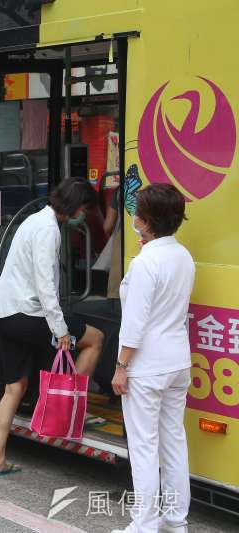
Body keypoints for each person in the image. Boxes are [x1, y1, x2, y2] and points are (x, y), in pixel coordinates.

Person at [0, 177, 104, 477]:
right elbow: (46, 286)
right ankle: (67, 408)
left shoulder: (33, 219)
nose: (84, 216)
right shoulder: (49, 230)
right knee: (95, 339)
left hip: (4, 313)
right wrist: (61, 330)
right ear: (77, 206)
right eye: (85, 210)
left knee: (14, 388)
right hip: (29, 314)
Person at [110, 184, 194, 533]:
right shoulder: (183, 256)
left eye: (137, 213)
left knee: (144, 447)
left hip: (146, 365)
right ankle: (175, 521)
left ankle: (143, 525)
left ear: (145, 221)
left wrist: (121, 367)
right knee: (173, 441)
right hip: (177, 361)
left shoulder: (145, 263)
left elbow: (135, 323)